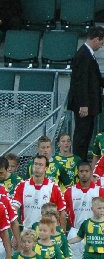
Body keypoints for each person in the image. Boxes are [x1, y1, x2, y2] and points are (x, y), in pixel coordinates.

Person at [64, 162, 104, 259]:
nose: (84, 174)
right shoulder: (70, 191)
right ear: (78, 173)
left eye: (87, 171)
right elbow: (63, 211)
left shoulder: (99, 190)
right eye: (81, 171)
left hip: (96, 232)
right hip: (76, 231)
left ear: (90, 172)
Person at [67, 26, 104, 163]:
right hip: (84, 106)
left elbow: (95, 79)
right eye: (101, 43)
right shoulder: (83, 55)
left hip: (89, 104)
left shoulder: (88, 54)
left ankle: (81, 162)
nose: (101, 46)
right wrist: (83, 104)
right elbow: (80, 82)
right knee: (82, 135)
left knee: (86, 134)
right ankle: (79, 163)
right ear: (96, 39)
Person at [11, 154, 66, 230]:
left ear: (46, 168)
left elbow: (61, 212)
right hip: (28, 232)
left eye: (40, 165)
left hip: (47, 231)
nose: (37, 167)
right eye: (35, 164)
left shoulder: (53, 187)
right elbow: (14, 209)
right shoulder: (22, 185)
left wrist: (61, 233)